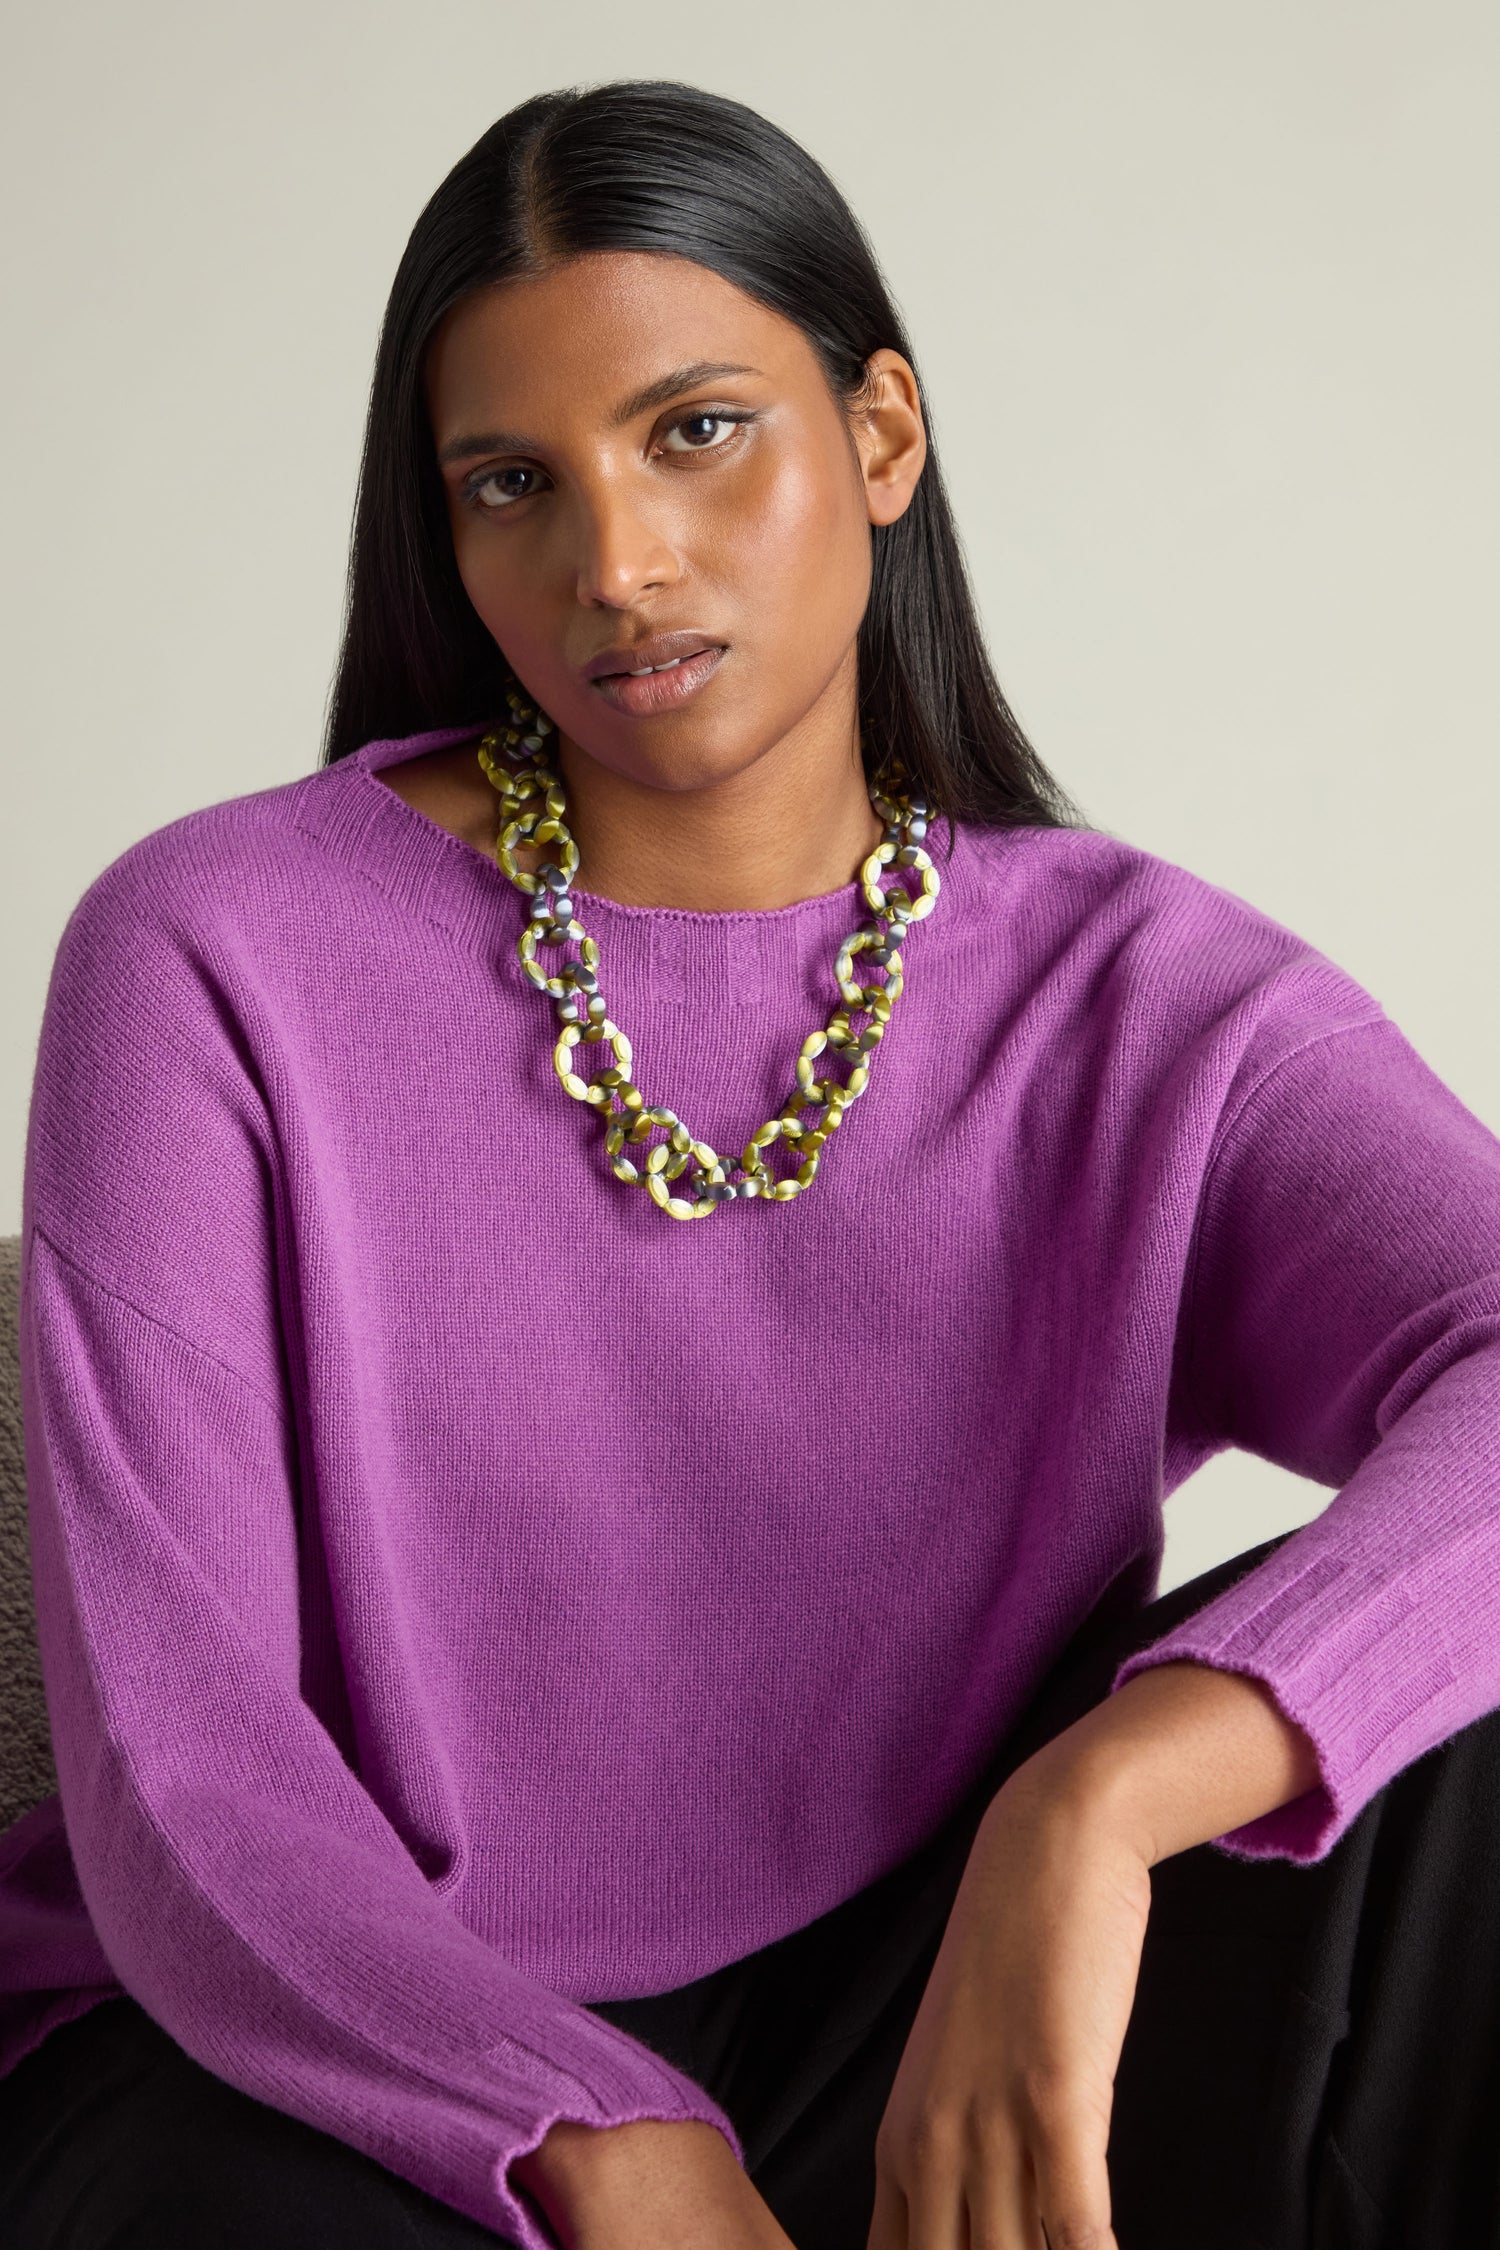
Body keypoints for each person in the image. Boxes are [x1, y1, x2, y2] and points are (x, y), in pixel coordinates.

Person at [2, 75, 1499, 2250]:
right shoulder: (213, 954)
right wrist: (584, 2124)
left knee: (1460, 1777)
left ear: (882, 435)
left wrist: (1092, 1809)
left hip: (927, 2002)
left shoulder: (1144, 1005)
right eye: (513, 484)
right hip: (336, 2071)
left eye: (696, 429)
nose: (613, 563)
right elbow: (184, 1775)